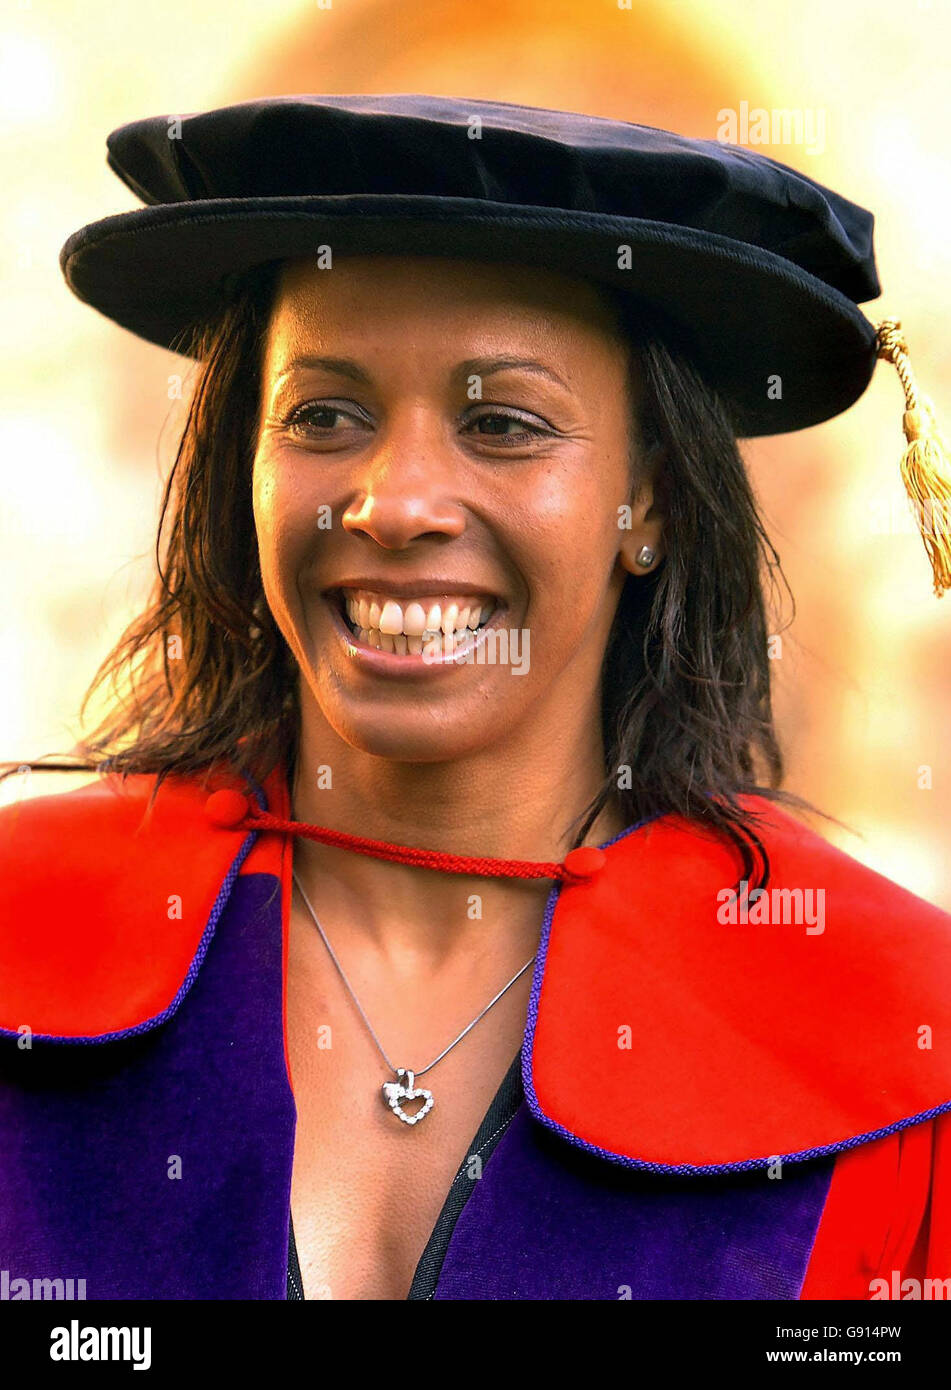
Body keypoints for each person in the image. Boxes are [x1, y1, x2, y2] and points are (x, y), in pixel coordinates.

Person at [1, 94, 949, 1302]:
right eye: (324, 415)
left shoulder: (899, 1048)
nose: (394, 504)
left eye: (502, 422)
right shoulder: (19, 938)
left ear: (648, 501)